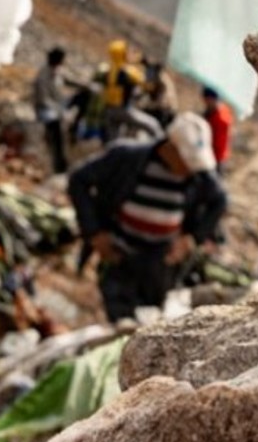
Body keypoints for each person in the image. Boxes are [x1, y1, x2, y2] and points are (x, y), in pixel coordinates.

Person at [67, 111, 228, 321]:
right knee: (121, 323)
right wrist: (94, 232)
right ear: (170, 147)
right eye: (186, 161)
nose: (190, 169)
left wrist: (191, 239)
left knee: (153, 320)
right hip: (119, 255)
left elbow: (220, 201)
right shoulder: (126, 157)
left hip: (161, 262)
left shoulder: (198, 176)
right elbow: (78, 180)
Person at [31, 46, 70, 174]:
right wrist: (59, 110)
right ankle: (59, 164)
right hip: (45, 109)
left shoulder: (57, 72)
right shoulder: (43, 75)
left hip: (58, 106)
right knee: (56, 127)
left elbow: (66, 82)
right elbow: (43, 99)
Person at [201, 85, 234, 170]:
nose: (205, 102)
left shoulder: (221, 119)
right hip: (213, 156)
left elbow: (217, 143)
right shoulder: (216, 111)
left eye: (207, 100)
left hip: (216, 158)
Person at [139, 59, 178, 129]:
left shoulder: (162, 82)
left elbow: (162, 101)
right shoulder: (153, 79)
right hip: (159, 108)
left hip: (165, 111)